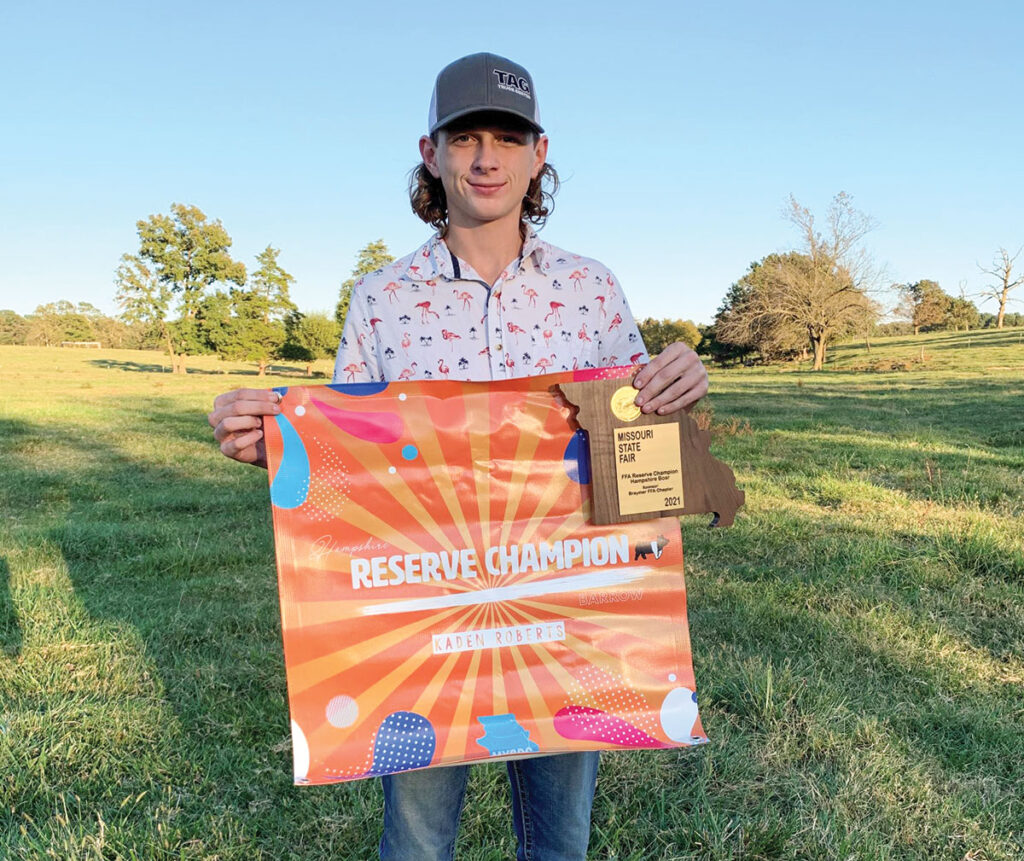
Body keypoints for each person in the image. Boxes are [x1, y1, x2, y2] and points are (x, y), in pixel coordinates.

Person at [209, 52, 708, 861]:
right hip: (424, 630)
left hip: (566, 616)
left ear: (539, 154)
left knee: (561, 838)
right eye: (465, 136)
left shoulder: (591, 290)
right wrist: (268, 441)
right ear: (431, 151)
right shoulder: (382, 298)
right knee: (416, 835)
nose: (486, 157)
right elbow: (346, 472)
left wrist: (677, 393)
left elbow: (639, 454)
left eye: (507, 139)